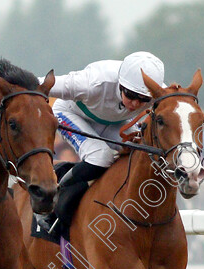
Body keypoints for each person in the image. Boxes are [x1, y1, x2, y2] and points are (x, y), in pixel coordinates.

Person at [38, 51, 166, 228]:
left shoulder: (159, 92)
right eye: (130, 95)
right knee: (100, 156)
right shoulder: (92, 82)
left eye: (144, 99)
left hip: (115, 123)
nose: (135, 104)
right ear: (120, 84)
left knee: (141, 153)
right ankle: (52, 200)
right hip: (71, 114)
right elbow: (34, 85)